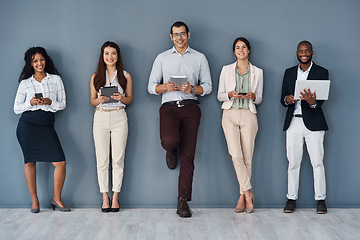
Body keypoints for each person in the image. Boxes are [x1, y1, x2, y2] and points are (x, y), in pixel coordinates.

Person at [148, 21, 212, 218]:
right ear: (171, 37)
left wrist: (192, 88)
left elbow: (208, 87)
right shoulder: (162, 58)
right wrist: (164, 87)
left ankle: (182, 200)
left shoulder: (200, 58)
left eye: (182, 34)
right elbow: (151, 87)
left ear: (188, 35)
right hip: (168, 108)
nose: (179, 37)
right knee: (170, 141)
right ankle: (170, 149)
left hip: (191, 108)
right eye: (175, 34)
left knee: (188, 156)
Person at [14, 47, 70, 213]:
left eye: (41, 59)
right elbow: (16, 108)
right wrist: (30, 103)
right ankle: (34, 199)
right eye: (35, 61)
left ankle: (56, 198)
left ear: (46, 60)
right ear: (30, 64)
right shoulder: (25, 83)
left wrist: (49, 102)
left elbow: (63, 104)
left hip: (46, 125)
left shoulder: (55, 79)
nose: (39, 63)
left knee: (60, 162)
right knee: (30, 162)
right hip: (27, 126)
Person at [281, 40, 329, 214]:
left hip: (314, 124)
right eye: (301, 51)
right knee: (293, 162)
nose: (304, 53)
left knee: (317, 163)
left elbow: (322, 100)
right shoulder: (288, 73)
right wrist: (288, 99)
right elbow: (282, 99)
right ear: (296, 53)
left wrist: (313, 103)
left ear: (312, 53)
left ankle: (321, 201)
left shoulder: (322, 72)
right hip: (293, 122)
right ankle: (291, 199)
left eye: (307, 51)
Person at [217, 37, 263, 214]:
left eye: (244, 47)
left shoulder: (258, 72)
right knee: (235, 155)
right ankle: (248, 192)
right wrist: (229, 94)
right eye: (238, 47)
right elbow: (220, 96)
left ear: (249, 50)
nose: (241, 50)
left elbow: (259, 98)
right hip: (230, 113)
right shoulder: (226, 70)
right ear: (234, 51)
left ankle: (242, 197)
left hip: (249, 115)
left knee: (248, 157)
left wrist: (252, 96)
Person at [90, 41, 133, 213]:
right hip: (100, 116)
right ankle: (104, 197)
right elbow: (91, 100)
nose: (110, 57)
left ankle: (115, 196)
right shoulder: (95, 77)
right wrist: (99, 100)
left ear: (118, 55)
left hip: (119, 116)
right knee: (102, 160)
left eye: (113, 53)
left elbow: (130, 99)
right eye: (107, 53)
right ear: (102, 55)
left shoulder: (125, 76)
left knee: (118, 158)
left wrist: (121, 97)